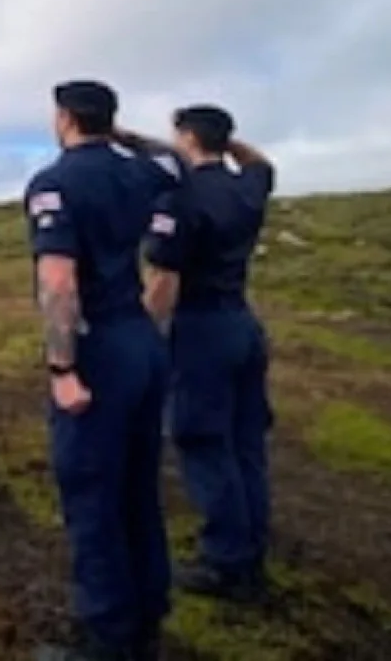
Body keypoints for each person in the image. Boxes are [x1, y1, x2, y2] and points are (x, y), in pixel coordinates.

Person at [26, 80, 182, 661]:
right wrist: (115, 133)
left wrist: (62, 366)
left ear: (64, 116)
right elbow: (171, 158)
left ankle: (110, 640)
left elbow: (59, 281)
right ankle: (147, 612)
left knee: (92, 493)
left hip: (97, 351)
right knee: (138, 486)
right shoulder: (143, 173)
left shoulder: (54, 183)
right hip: (140, 340)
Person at [118, 106, 276, 604]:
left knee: (203, 441)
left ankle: (227, 563)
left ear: (185, 138)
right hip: (242, 325)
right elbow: (259, 161)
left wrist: (140, 337)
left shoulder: (180, 197)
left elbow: (164, 280)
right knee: (245, 441)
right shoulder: (248, 185)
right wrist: (221, 143)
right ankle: (250, 546)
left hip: (200, 330)